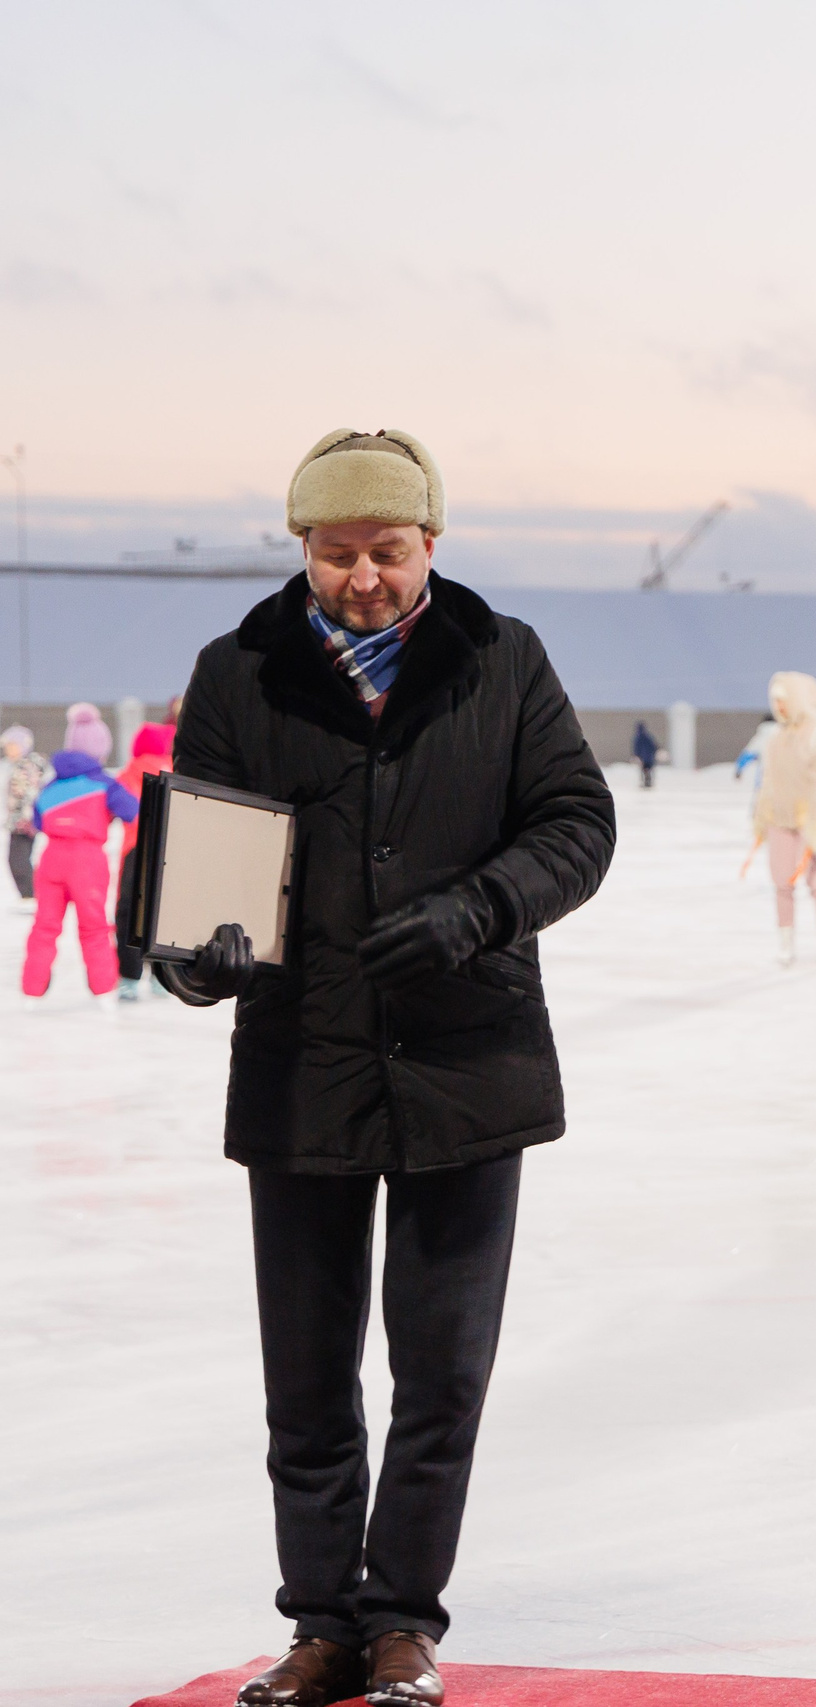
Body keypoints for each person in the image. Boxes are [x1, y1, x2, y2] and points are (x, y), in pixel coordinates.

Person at [163, 428, 616, 1707]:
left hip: (468, 1063)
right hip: (303, 1061)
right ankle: (320, 1626)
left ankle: (403, 1619)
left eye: (388, 551)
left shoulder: (503, 661)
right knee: (304, 1377)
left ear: (432, 543)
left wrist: (482, 908)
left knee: (440, 1373)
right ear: (300, 546)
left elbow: (579, 823)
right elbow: (200, 848)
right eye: (336, 552)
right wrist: (196, 953)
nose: (363, 577)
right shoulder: (239, 671)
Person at [19, 742, 139, 1004]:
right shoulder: (104, 784)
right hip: (88, 860)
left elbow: (38, 821)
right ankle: (103, 989)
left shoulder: (50, 786)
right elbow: (132, 810)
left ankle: (32, 988)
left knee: (45, 926)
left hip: (51, 858)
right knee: (94, 927)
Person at [755, 670, 816, 965]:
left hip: (810, 822)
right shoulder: (776, 737)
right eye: (775, 702)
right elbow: (768, 781)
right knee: (782, 882)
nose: (780, 707)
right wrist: (762, 817)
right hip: (779, 821)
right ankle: (786, 943)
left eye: (784, 700)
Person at [113, 717, 178, 1000]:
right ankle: (162, 977)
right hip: (169, 849)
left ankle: (129, 976)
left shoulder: (130, 771)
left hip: (136, 848)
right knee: (164, 911)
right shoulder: (176, 770)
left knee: (130, 914)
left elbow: (119, 806)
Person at [4, 724, 44, 909]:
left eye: (11, 745)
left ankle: (31, 895)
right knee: (18, 859)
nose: (7, 749)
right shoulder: (18, 766)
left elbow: (31, 794)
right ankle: (29, 895)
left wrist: (29, 820)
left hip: (24, 823)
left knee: (18, 859)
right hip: (17, 821)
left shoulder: (27, 766)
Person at [632, 718, 659, 788]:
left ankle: (646, 782)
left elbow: (636, 747)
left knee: (644, 770)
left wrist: (636, 755)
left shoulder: (638, 737)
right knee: (648, 769)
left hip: (643, 757)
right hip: (649, 757)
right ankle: (648, 782)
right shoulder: (648, 736)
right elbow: (654, 746)